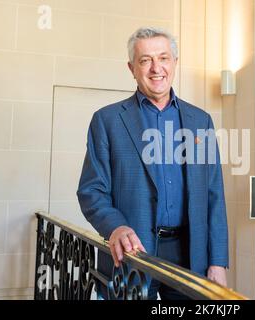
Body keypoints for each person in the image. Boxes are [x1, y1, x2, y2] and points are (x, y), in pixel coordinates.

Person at [76, 27, 228, 300]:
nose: (156, 68)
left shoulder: (200, 121)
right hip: (132, 254)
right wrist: (116, 227)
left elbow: (214, 195)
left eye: (164, 58)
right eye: (145, 60)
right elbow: (91, 190)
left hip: (190, 255)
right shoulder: (107, 120)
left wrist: (217, 261)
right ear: (131, 68)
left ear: (175, 63)